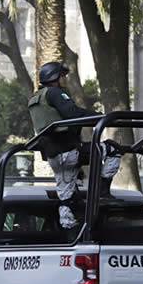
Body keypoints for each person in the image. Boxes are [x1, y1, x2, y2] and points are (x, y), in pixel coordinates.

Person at [27, 62, 125, 229]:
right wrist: (100, 117)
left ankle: (68, 229)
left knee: (66, 196)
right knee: (112, 149)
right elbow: (73, 113)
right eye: (62, 76)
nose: (64, 78)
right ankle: (102, 192)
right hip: (69, 150)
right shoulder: (55, 92)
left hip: (53, 155)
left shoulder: (37, 98)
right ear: (54, 77)